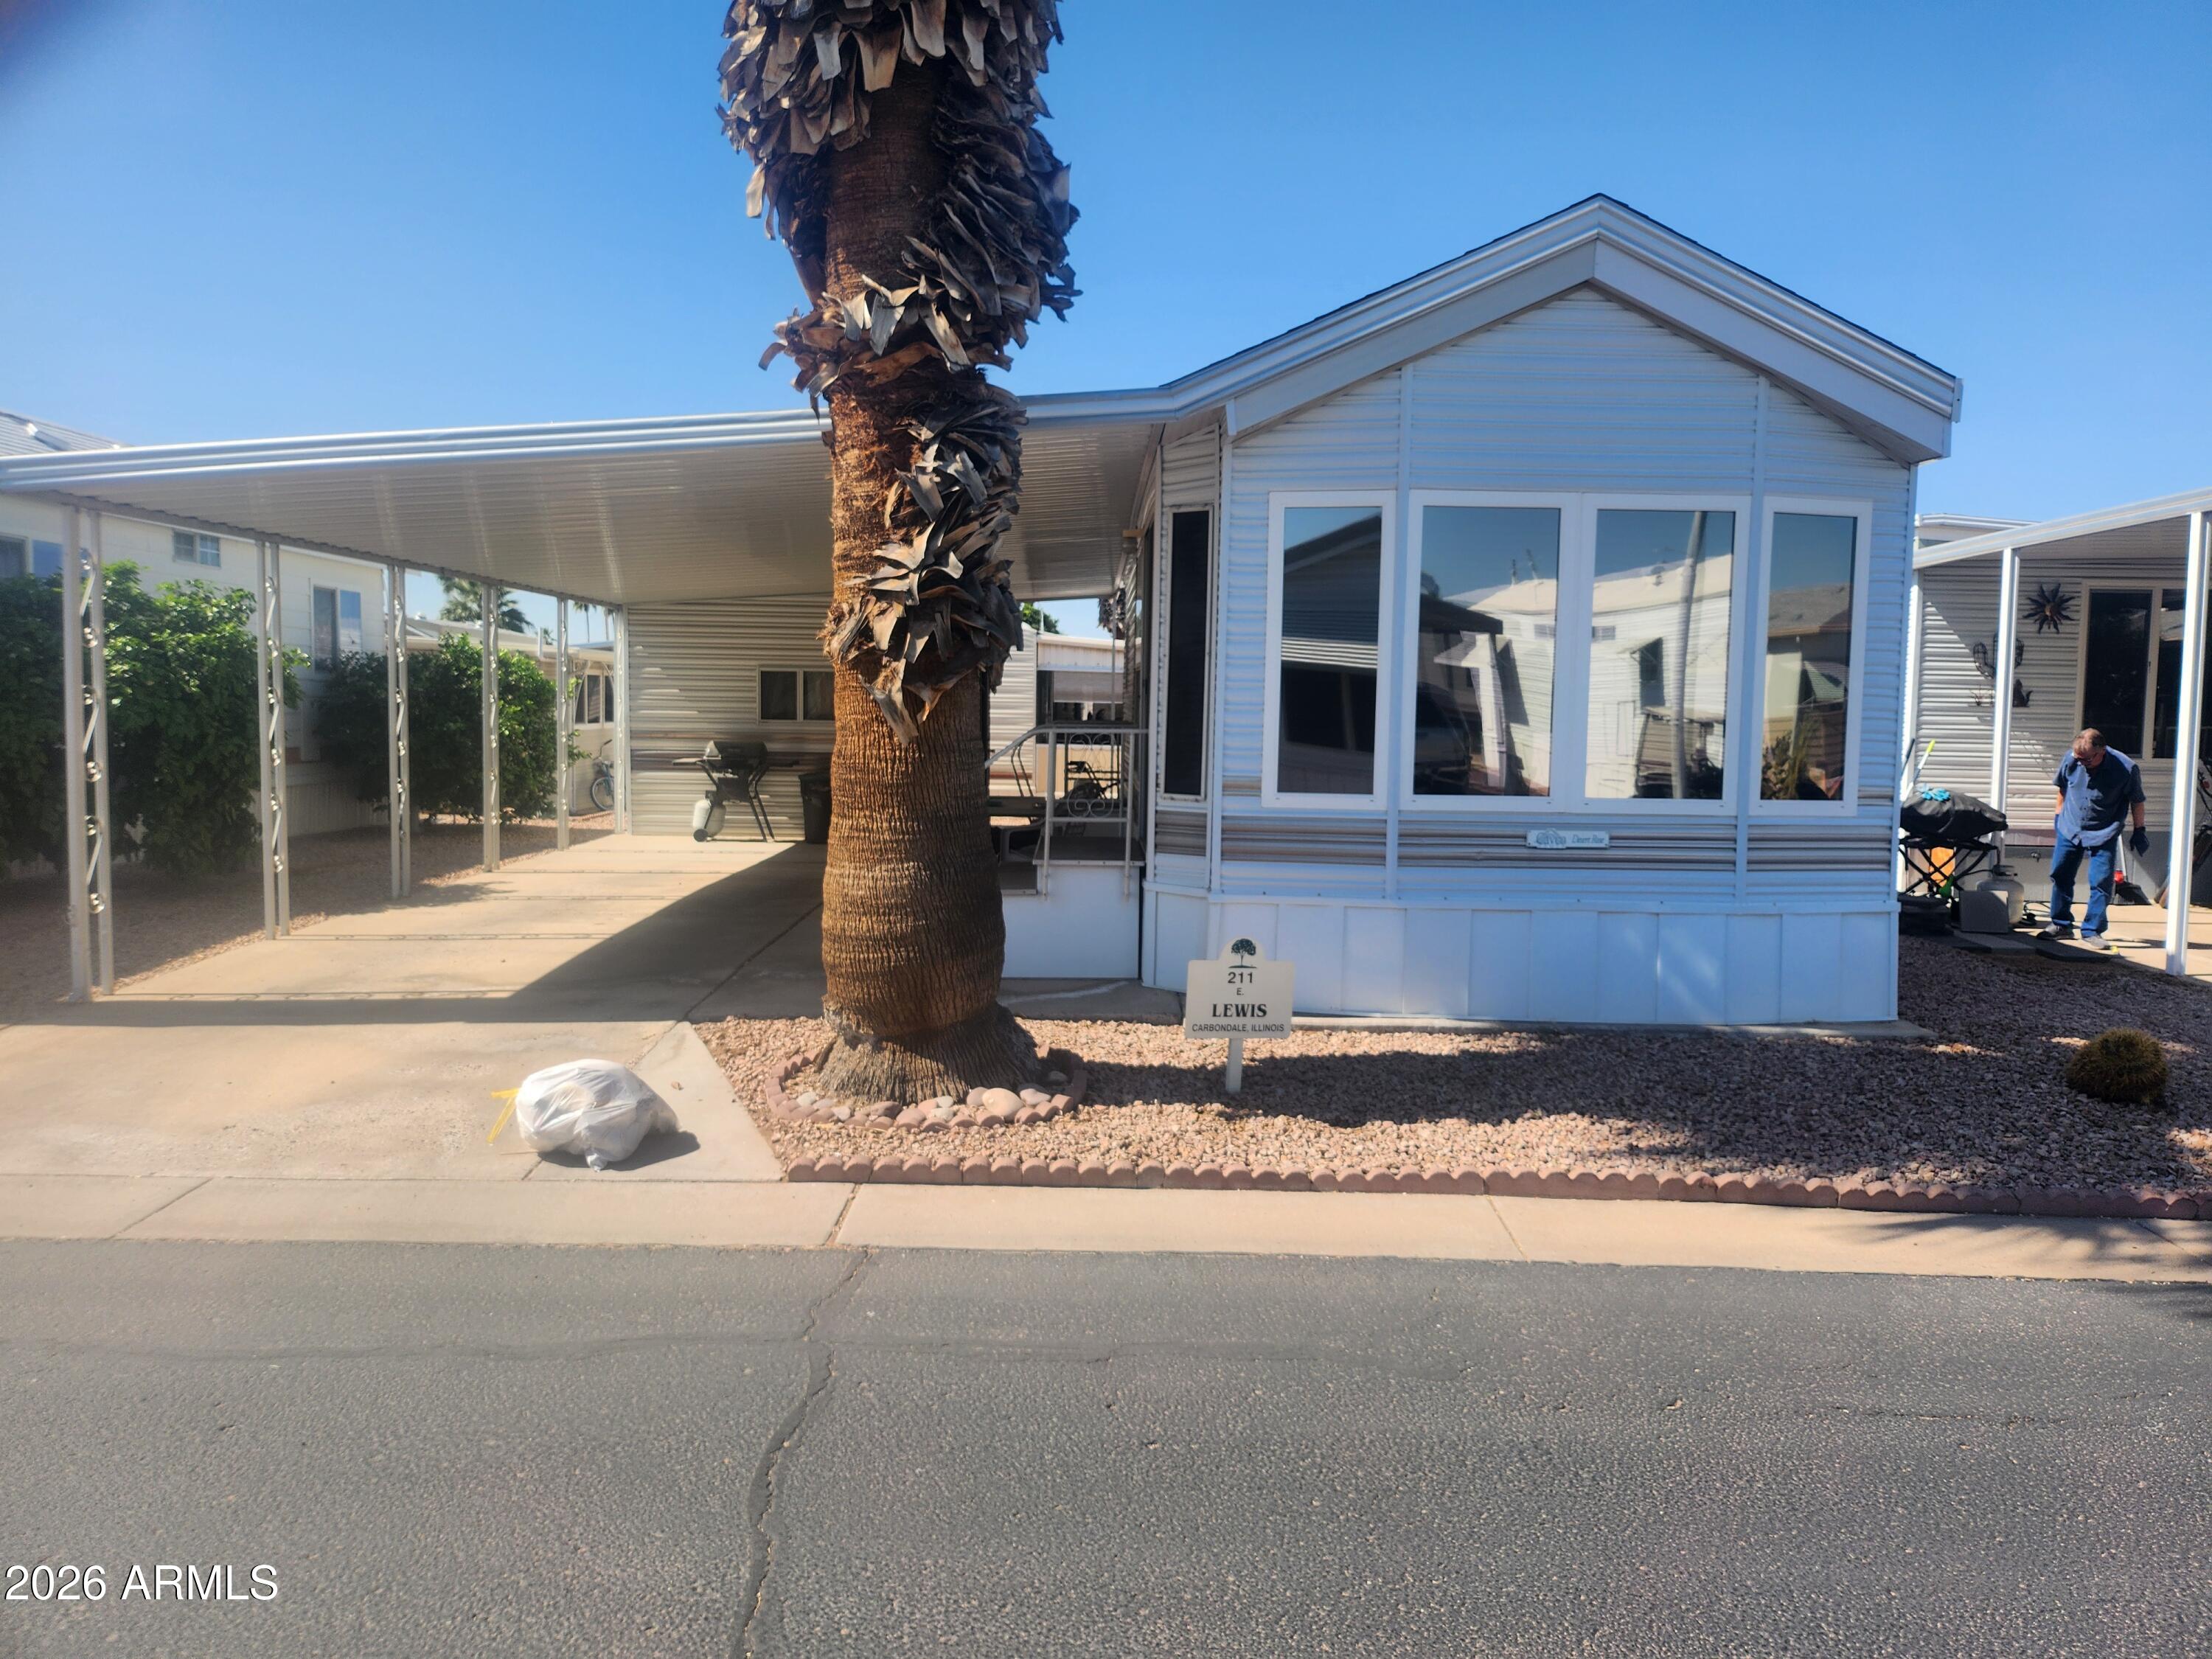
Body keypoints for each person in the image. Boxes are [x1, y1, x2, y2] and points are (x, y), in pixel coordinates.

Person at [2038, 726, 2149, 949]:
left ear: (2102, 751)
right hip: (2070, 827)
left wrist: (2140, 830)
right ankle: (2061, 924)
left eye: (2087, 760)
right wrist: (2058, 817)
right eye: (2078, 759)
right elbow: (2063, 788)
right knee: (2060, 875)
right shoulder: (2072, 759)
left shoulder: (2126, 768)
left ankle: (2093, 930)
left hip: (2104, 832)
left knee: (2101, 882)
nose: (2082, 764)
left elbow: (2137, 801)